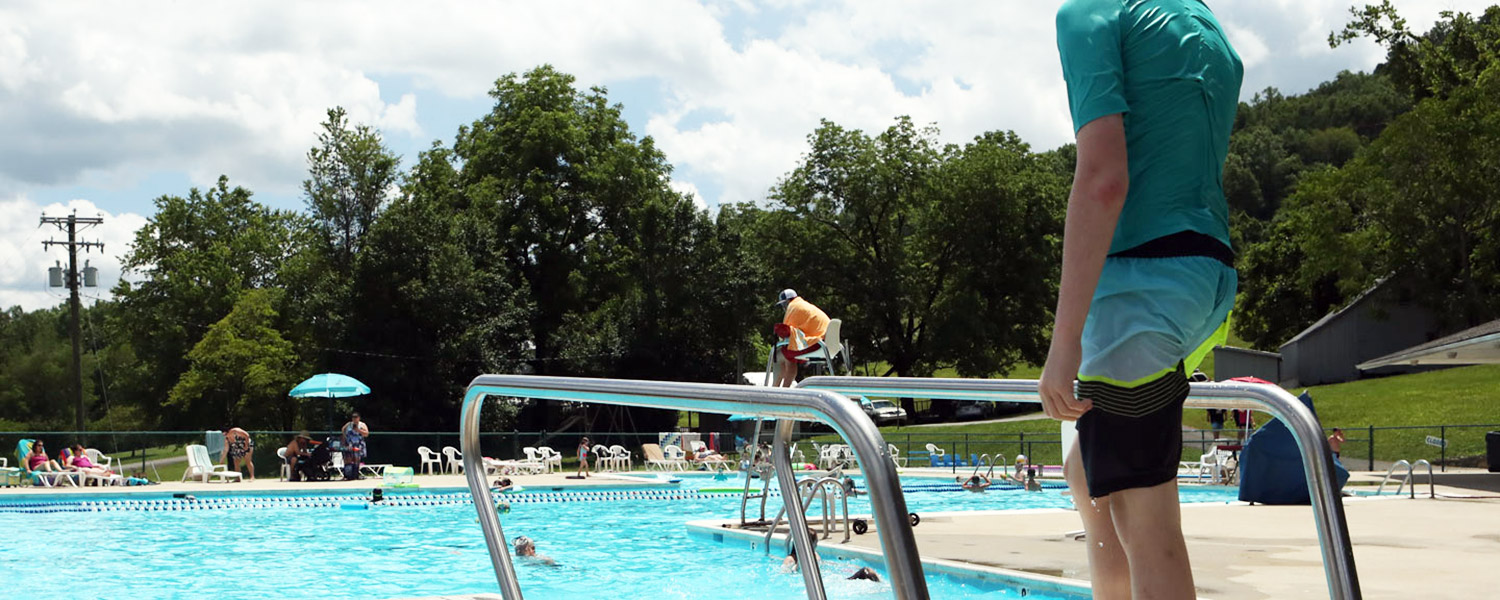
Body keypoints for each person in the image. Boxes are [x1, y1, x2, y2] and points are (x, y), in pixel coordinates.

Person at [1040, 1, 1242, 598]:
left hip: (1142, 289)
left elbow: (1104, 179)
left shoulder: (1092, 14)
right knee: (1088, 472)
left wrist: (1065, 340)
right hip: (1205, 273)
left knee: (1147, 525)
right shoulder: (1204, 23)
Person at [771, 289, 830, 387]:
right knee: (788, 355)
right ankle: (783, 389)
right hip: (825, 343)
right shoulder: (805, 305)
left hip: (817, 343)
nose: (784, 307)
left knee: (780, 354)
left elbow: (787, 332)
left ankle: (777, 389)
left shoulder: (793, 307)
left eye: (783, 304)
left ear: (788, 301)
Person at [341, 413, 368, 479]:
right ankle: (347, 475)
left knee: (356, 460)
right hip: (349, 444)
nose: (355, 419)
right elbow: (343, 431)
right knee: (348, 459)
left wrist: (358, 430)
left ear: (359, 418)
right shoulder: (348, 424)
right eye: (353, 417)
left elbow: (366, 434)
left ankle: (355, 475)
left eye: (356, 417)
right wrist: (344, 442)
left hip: (358, 444)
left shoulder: (362, 425)